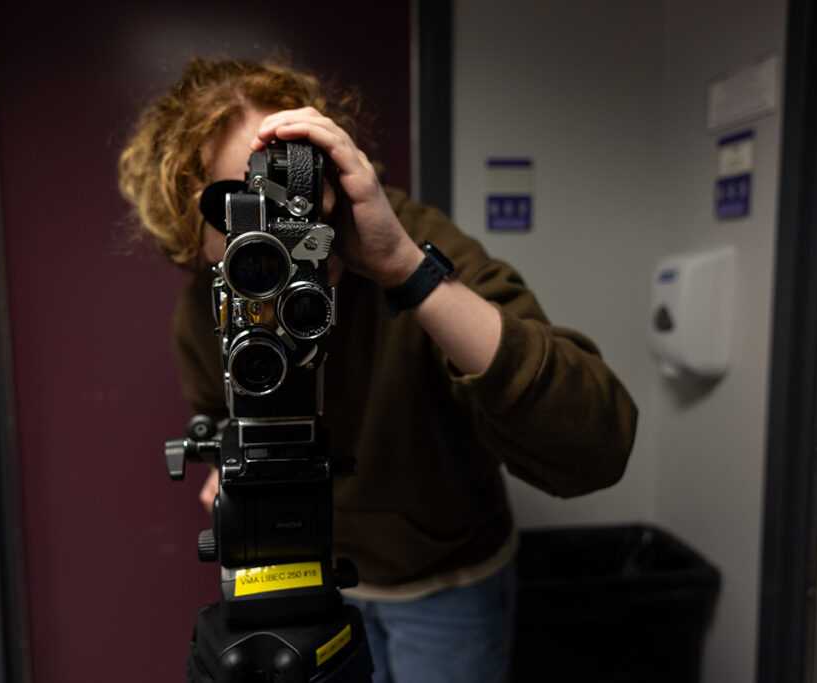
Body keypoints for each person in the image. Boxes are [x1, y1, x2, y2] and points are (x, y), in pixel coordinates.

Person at [118, 57, 638, 683]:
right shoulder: (213, 296)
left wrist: (404, 271)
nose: (278, 227)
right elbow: (213, 403)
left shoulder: (402, 238)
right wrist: (222, 464)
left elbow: (597, 445)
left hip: (441, 582)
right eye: (240, 210)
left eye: (285, 190)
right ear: (192, 235)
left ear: (328, 170)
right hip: (303, 581)